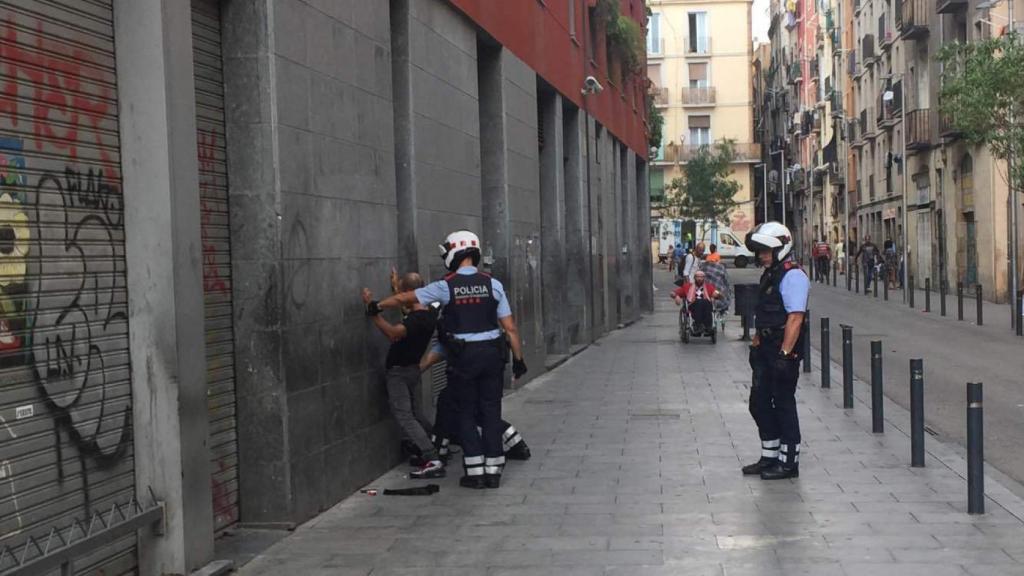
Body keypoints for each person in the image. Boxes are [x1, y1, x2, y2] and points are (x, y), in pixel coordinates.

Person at [368, 230, 526, 489]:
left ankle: (475, 473)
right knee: (489, 411)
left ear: (454, 252)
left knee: (464, 412)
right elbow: (510, 328)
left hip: (464, 359)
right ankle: (493, 470)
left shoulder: (446, 285)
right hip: (492, 357)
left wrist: (378, 306)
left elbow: (407, 298)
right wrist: (519, 360)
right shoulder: (493, 284)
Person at [742, 222, 810, 480]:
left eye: (766, 250)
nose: (762, 256)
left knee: (783, 403)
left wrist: (785, 355)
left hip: (783, 352)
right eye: (760, 251)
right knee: (758, 403)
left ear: (782, 248)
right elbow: (765, 313)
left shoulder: (793, 276)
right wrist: (757, 341)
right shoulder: (770, 274)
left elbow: (795, 318)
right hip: (766, 350)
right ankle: (769, 456)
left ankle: (789, 462)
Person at [361, 273, 446, 479]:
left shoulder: (414, 321)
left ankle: (432, 458)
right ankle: (437, 443)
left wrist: (374, 313)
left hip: (399, 372)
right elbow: (408, 305)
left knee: (405, 416)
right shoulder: (429, 314)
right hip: (413, 370)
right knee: (416, 413)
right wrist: (398, 289)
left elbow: (393, 332)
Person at [419, 347, 532, 462]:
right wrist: (518, 360)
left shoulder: (459, 330)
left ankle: (439, 452)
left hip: (465, 372)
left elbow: (442, 347)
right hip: (488, 370)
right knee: (483, 414)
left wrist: (420, 368)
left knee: (447, 404)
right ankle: (518, 444)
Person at [671, 269, 721, 334]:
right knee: (699, 302)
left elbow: (717, 293)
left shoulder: (709, 287)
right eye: (698, 277)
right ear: (694, 278)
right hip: (693, 305)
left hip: (706, 305)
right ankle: (698, 324)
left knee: (706, 302)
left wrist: (717, 294)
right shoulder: (687, 286)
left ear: (704, 278)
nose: (699, 278)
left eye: (701, 277)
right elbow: (673, 292)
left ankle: (708, 326)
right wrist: (676, 296)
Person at [700, 246, 732, 318]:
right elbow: (725, 279)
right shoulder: (717, 257)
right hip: (717, 288)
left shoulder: (707, 257)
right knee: (725, 290)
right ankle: (723, 310)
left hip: (707, 288)